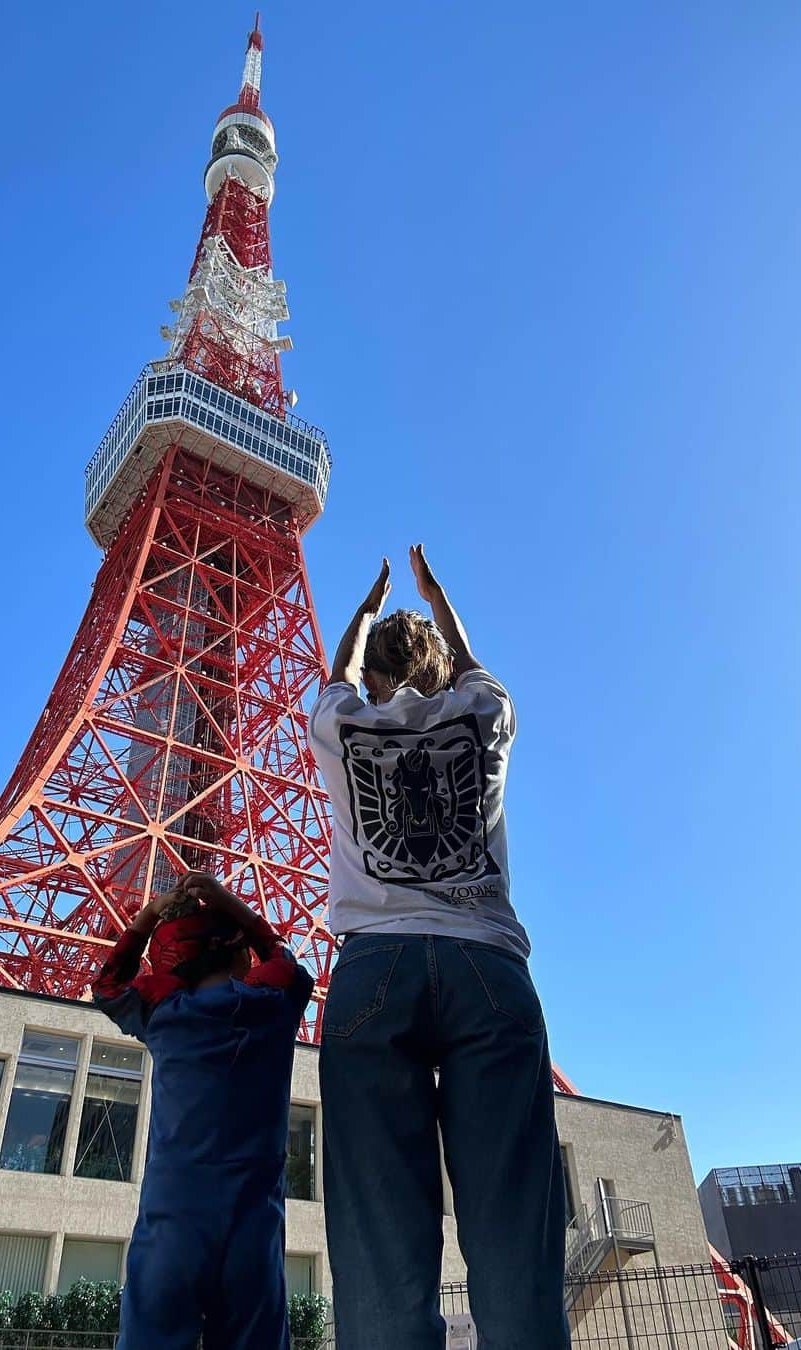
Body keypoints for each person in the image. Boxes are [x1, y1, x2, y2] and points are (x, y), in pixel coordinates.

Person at [308, 544, 570, 1350]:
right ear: (445, 669)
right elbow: (474, 664)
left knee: (380, 1244)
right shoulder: (484, 715)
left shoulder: (340, 723)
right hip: (486, 964)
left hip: (372, 966)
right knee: (513, 1231)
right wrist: (437, 594)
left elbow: (336, 670)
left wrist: (365, 609)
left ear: (374, 680)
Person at [91, 871, 314, 1350]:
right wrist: (233, 906)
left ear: (168, 964)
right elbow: (285, 963)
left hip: (173, 1223)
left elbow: (107, 986)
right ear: (237, 950)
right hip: (252, 1228)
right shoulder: (272, 1007)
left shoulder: (163, 1015)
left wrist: (149, 917)